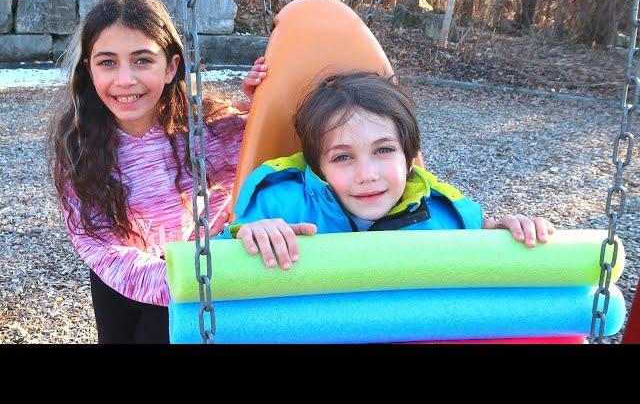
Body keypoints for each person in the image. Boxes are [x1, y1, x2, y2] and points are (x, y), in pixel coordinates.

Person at [48, 0, 267, 343]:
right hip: (126, 280)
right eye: (107, 62)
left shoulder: (213, 127)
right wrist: (179, 281)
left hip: (204, 274)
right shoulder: (80, 146)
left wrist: (264, 101)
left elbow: (284, 147)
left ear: (171, 67)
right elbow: (98, 244)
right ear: (89, 70)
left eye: (141, 60)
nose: (124, 80)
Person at [222, 71, 556, 270]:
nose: (367, 174)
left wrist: (509, 232)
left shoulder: (444, 217)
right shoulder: (280, 207)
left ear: (409, 159)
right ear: (318, 168)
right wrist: (248, 236)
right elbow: (213, 266)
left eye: (383, 150)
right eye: (342, 158)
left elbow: (486, 245)